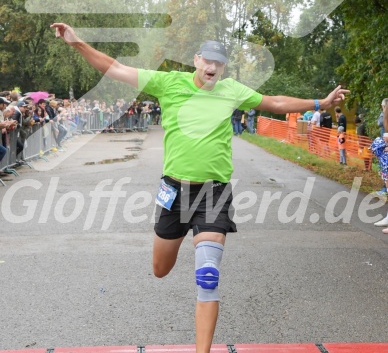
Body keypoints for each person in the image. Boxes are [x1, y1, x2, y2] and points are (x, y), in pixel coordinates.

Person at [50, 23, 349, 353]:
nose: (212, 67)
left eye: (218, 63)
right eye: (207, 60)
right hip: (174, 193)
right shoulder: (168, 83)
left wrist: (320, 102)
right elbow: (116, 68)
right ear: (196, 60)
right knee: (160, 270)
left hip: (212, 194)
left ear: (223, 68)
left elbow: (275, 102)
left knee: (207, 278)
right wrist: (78, 42)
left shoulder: (231, 89)